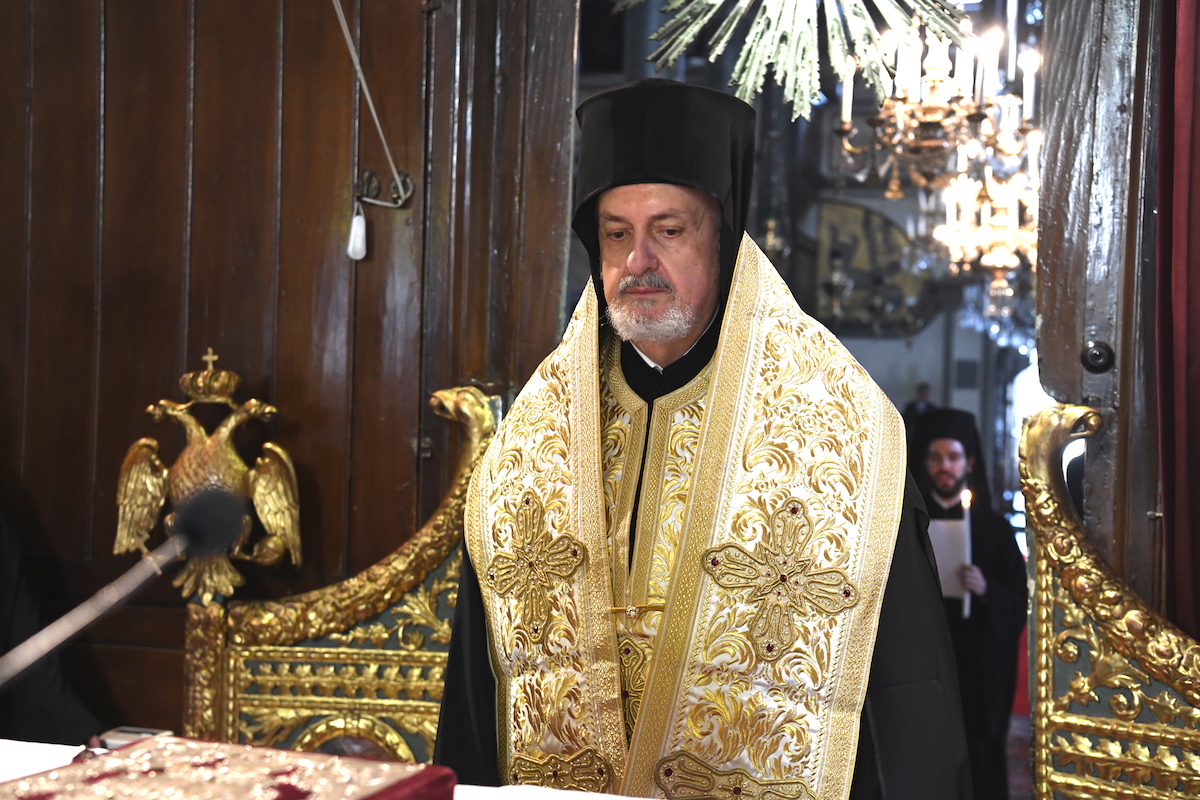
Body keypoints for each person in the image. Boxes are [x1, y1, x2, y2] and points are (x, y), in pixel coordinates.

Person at [435, 79, 970, 799]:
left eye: (669, 230)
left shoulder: (846, 434)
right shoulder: (529, 444)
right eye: (616, 233)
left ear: (723, 239)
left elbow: (904, 710)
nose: (637, 261)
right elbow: (480, 691)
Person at [913, 409, 1027, 800]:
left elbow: (1018, 602)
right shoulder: (910, 526)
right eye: (936, 457)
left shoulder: (995, 530)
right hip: (928, 661)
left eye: (953, 457)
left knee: (979, 761)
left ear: (969, 461)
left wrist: (986, 589)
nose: (945, 466)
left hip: (979, 664)